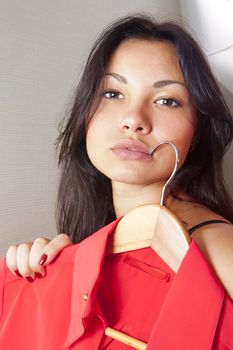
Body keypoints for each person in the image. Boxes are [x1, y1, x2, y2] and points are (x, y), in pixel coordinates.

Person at [1, 14, 233, 349]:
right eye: (112, 93)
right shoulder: (97, 245)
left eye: (167, 100)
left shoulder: (218, 248)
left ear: (196, 134)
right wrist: (41, 285)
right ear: (86, 114)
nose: (133, 120)